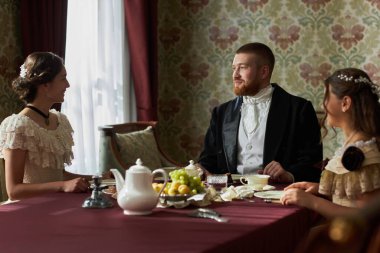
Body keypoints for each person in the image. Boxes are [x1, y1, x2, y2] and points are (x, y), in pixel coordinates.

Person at [198, 42, 323, 183]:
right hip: (230, 196)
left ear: (264, 72)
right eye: (234, 68)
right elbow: (208, 161)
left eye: (242, 68)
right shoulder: (221, 113)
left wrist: (289, 174)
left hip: (278, 195)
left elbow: (312, 163)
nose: (235, 75)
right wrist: (200, 169)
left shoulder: (299, 109)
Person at [281, 68, 380, 218]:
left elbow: (366, 218)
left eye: (326, 97)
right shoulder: (355, 144)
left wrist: (312, 202)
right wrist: (319, 189)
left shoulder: (363, 153)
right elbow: (350, 197)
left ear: (345, 103)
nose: (323, 105)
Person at [0, 52, 90, 200]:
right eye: (63, 78)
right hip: (26, 210)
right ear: (45, 84)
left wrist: (100, 177)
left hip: (53, 202)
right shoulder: (18, 127)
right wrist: (63, 186)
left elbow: (59, 175)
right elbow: (14, 190)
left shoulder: (60, 121)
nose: (68, 85)